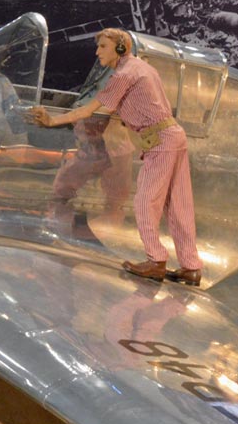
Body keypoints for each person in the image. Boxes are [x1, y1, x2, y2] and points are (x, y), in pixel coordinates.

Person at [29, 28, 204, 286]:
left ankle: (156, 261)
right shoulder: (143, 68)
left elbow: (89, 110)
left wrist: (52, 120)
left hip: (159, 142)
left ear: (120, 48)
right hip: (172, 137)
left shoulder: (124, 74)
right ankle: (191, 267)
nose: (97, 51)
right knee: (178, 205)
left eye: (102, 46)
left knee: (145, 202)